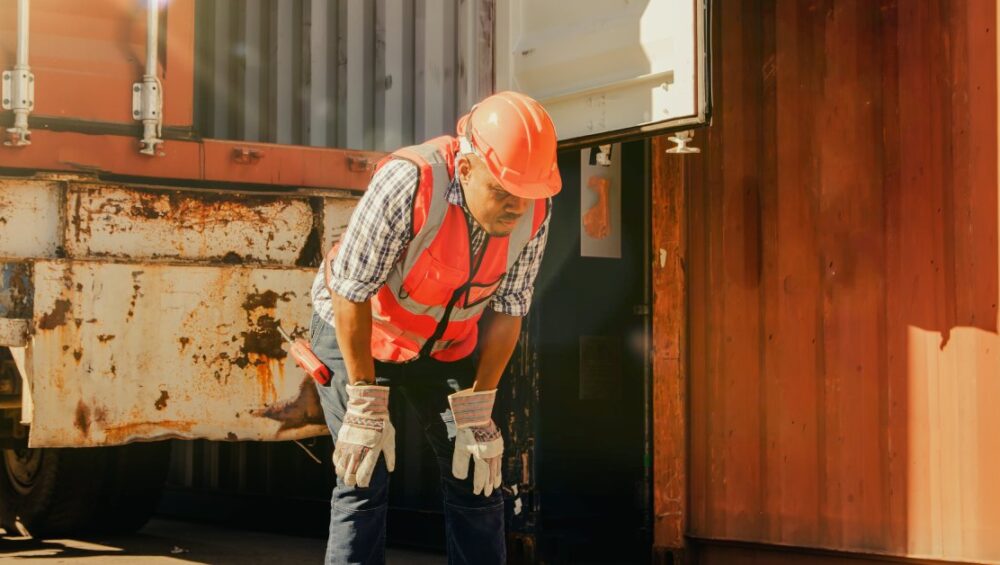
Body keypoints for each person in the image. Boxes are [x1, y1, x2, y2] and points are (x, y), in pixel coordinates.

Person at [308, 91, 561, 565]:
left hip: (443, 345)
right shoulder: (410, 181)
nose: (516, 207)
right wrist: (363, 401)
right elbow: (351, 290)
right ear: (466, 171)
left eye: (526, 196)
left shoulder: (535, 211)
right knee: (362, 474)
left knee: (478, 474)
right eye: (502, 192)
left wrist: (480, 407)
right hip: (362, 330)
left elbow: (509, 308)